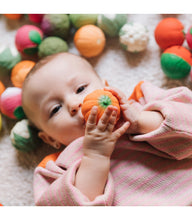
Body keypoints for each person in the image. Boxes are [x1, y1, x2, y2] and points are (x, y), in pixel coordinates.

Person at [22, 52, 192, 206]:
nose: (74, 104)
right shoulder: (55, 169)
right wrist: (95, 156)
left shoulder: (143, 101)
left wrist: (140, 121)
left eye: (80, 89)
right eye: (55, 109)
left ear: (106, 86)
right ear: (51, 139)